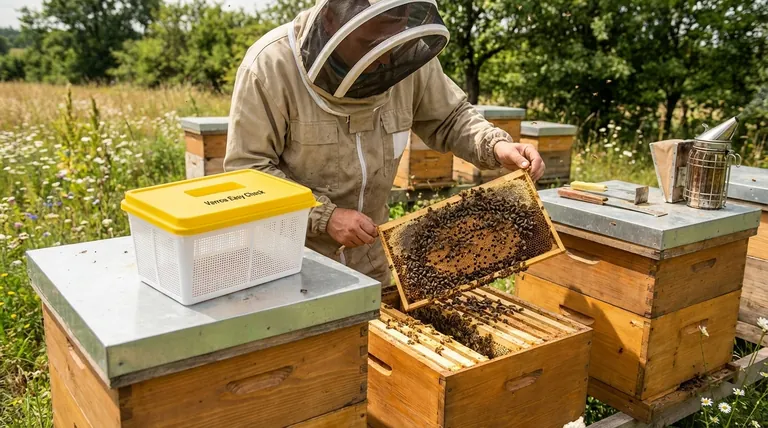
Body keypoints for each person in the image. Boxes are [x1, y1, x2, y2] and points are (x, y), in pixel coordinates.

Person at [223, 0, 545, 289]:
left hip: (371, 264)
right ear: (332, 21)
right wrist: (324, 216)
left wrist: (495, 145)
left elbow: (450, 115)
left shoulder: (403, 54)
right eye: (370, 43)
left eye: (393, 41)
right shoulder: (270, 67)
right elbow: (248, 172)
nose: (384, 59)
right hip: (292, 266)